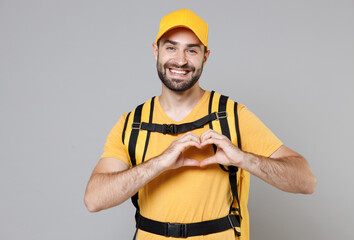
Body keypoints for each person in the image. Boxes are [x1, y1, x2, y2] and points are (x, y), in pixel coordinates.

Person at [84, 9, 316, 240]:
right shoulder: (132, 123)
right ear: (156, 51)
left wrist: (243, 158)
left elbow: (306, 181)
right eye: (171, 47)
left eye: (192, 50)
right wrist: (160, 163)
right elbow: (94, 200)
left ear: (205, 56)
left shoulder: (233, 116)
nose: (181, 60)